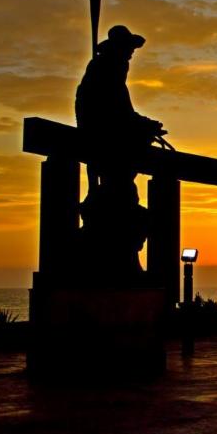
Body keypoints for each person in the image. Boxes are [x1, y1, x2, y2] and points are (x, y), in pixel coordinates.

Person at [75, 25, 166, 280]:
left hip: (108, 128)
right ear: (119, 49)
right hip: (103, 131)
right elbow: (114, 110)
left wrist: (141, 122)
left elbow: (123, 108)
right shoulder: (105, 69)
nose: (131, 54)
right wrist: (141, 125)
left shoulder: (111, 70)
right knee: (127, 168)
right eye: (128, 49)